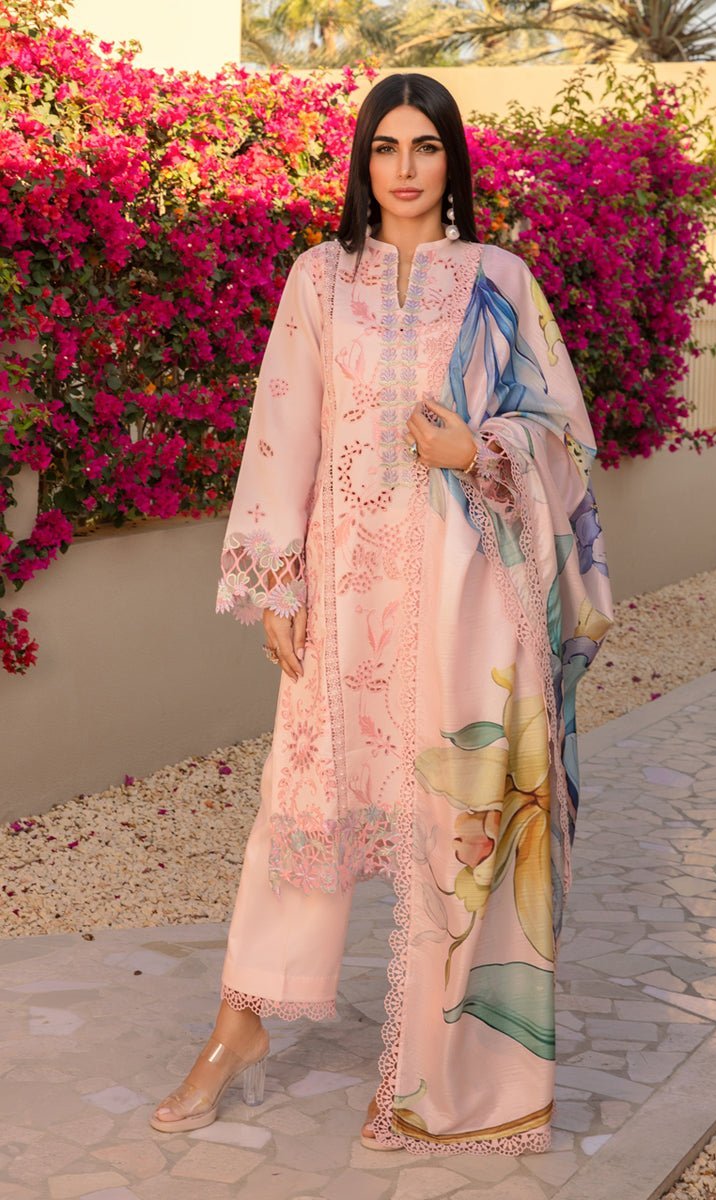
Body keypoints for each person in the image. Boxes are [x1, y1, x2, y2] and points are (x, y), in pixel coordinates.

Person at [149, 71, 614, 1155]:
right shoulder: (319, 278)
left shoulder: (500, 280)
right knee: (302, 809)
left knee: (459, 820)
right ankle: (236, 1029)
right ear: (363, 162)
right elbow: (283, 430)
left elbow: (563, 435)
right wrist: (278, 580)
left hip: (467, 593)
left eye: (426, 147)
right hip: (347, 587)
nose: (405, 170)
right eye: (386, 148)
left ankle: (443, 1077)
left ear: (454, 161)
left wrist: (476, 449)